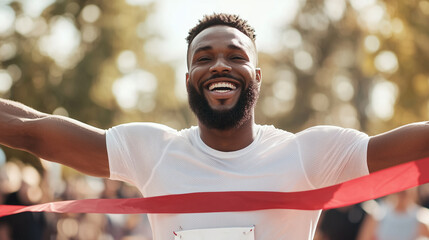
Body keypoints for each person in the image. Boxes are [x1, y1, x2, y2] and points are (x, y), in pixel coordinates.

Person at [0, 13, 429, 240]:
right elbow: (32, 130)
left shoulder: (309, 153)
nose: (219, 63)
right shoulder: (152, 150)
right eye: (203, 57)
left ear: (256, 76)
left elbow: (414, 143)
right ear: (189, 79)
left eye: (236, 56)